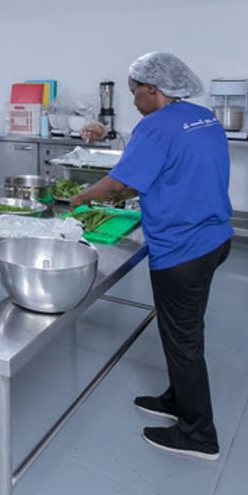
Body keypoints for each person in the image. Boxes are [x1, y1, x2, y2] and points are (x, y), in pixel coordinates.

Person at [71, 51, 233, 461]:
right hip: (215, 238)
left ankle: (199, 435)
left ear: (153, 89)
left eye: (135, 92)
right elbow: (159, 174)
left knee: (183, 340)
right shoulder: (203, 118)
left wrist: (79, 198)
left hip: (183, 249)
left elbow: (118, 185)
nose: (133, 100)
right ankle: (178, 400)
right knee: (188, 328)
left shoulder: (155, 127)